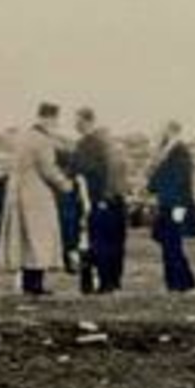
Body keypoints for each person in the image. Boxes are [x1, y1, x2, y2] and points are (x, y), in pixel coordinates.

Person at [0, 103, 73, 295]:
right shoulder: (42, 140)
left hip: (18, 191)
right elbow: (48, 169)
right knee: (39, 237)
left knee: (25, 238)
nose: (56, 124)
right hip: (36, 193)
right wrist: (66, 185)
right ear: (49, 118)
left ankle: (28, 282)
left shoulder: (23, 137)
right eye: (55, 120)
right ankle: (35, 283)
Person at [71, 107, 129, 294]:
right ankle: (112, 282)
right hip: (114, 200)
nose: (75, 124)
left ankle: (100, 283)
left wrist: (98, 198)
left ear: (85, 121)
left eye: (77, 120)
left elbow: (82, 173)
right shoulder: (109, 142)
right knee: (113, 243)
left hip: (98, 199)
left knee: (97, 242)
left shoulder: (88, 144)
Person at [146, 120, 195, 293]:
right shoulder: (169, 151)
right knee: (169, 242)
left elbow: (175, 179)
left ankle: (183, 283)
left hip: (176, 206)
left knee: (172, 242)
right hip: (170, 204)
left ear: (171, 131)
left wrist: (155, 184)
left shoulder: (179, 151)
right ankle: (176, 283)